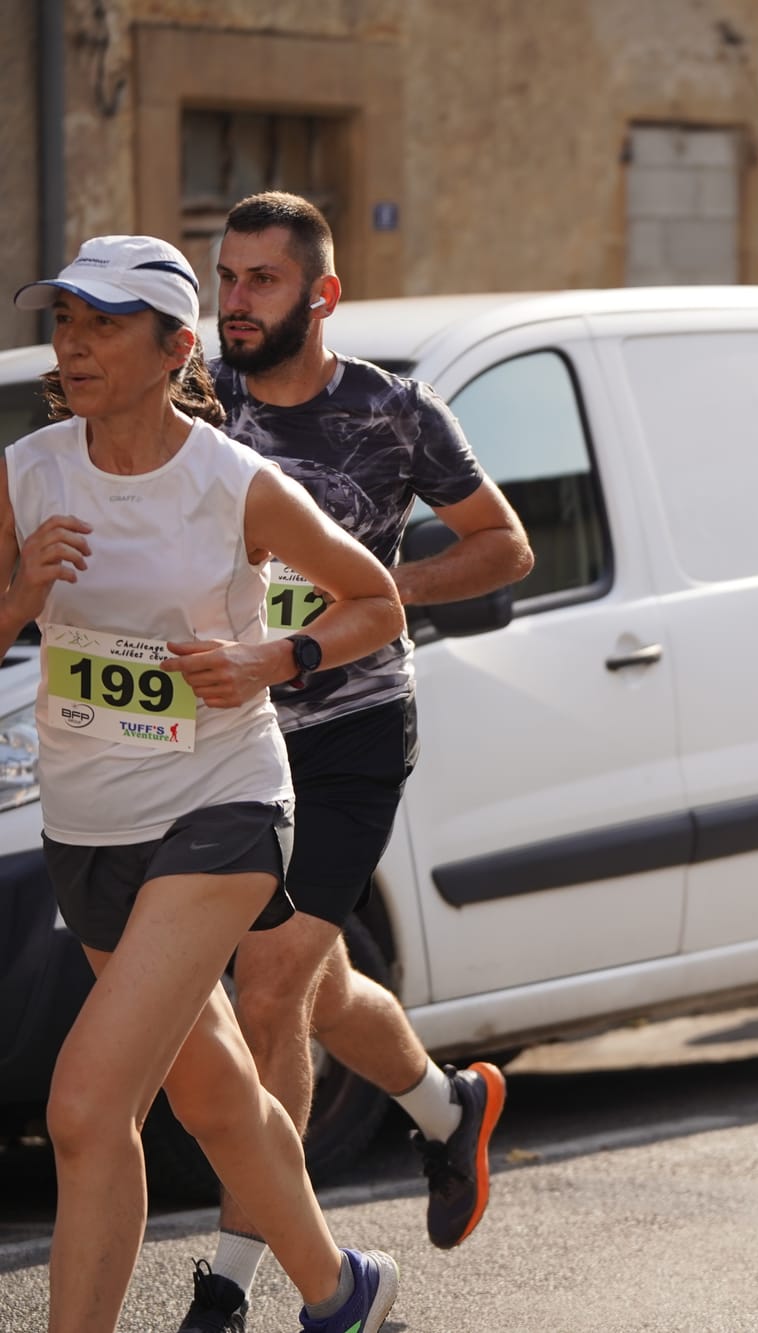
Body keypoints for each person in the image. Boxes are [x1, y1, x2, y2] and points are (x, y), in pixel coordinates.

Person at [9, 235, 404, 1333]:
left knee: (87, 1108)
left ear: (174, 346)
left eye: (102, 323)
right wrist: (22, 588)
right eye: (65, 320)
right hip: (89, 826)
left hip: (220, 808)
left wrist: (270, 661)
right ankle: (342, 1290)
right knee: (213, 1094)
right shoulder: (28, 470)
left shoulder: (234, 484)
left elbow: (374, 600)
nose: (74, 343)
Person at [169, 191, 534, 1332]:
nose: (235, 302)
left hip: (349, 734)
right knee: (313, 980)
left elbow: (503, 544)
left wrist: (382, 587)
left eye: (260, 282)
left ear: (320, 296)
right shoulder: (200, 400)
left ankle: (232, 1276)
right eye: (225, 280)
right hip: (227, 731)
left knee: (270, 988)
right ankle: (447, 1105)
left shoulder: (394, 414)